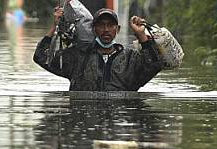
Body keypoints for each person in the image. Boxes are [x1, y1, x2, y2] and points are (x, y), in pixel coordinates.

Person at [33, 6, 163, 91]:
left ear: (117, 29)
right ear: (94, 29)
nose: (106, 29)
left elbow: (155, 65)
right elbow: (41, 57)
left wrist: (141, 35)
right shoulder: (78, 56)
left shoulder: (130, 58)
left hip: (119, 122)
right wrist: (54, 26)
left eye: (110, 25)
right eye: (101, 25)